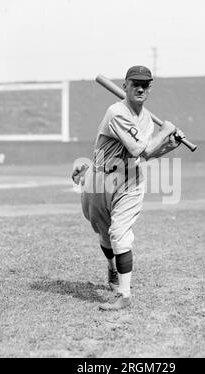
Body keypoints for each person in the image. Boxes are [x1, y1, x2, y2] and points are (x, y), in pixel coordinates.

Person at [72, 65, 185, 311]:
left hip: (130, 182)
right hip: (100, 180)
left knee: (119, 234)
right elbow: (140, 149)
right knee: (104, 232)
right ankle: (112, 269)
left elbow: (145, 155)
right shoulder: (116, 112)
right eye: (135, 83)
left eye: (145, 84)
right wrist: (165, 131)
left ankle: (124, 294)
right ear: (125, 86)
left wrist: (170, 145)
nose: (140, 88)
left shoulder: (146, 120)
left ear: (150, 88)